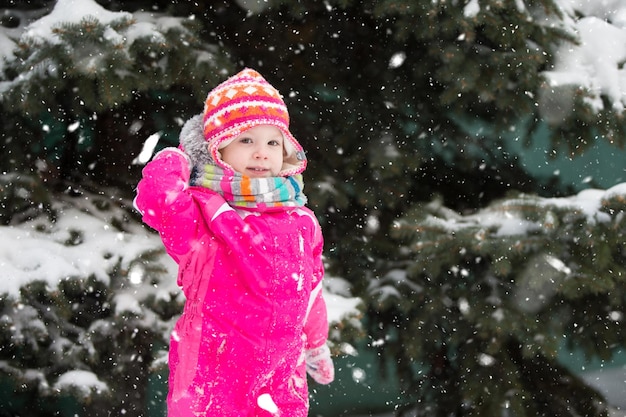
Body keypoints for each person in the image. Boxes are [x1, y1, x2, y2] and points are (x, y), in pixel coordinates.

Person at [134, 68, 334, 417]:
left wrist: (316, 343)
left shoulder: (301, 219)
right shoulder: (206, 214)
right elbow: (159, 203)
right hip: (215, 374)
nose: (261, 153)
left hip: (282, 375)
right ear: (218, 149)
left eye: (273, 142)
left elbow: (310, 288)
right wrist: (179, 156)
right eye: (246, 140)